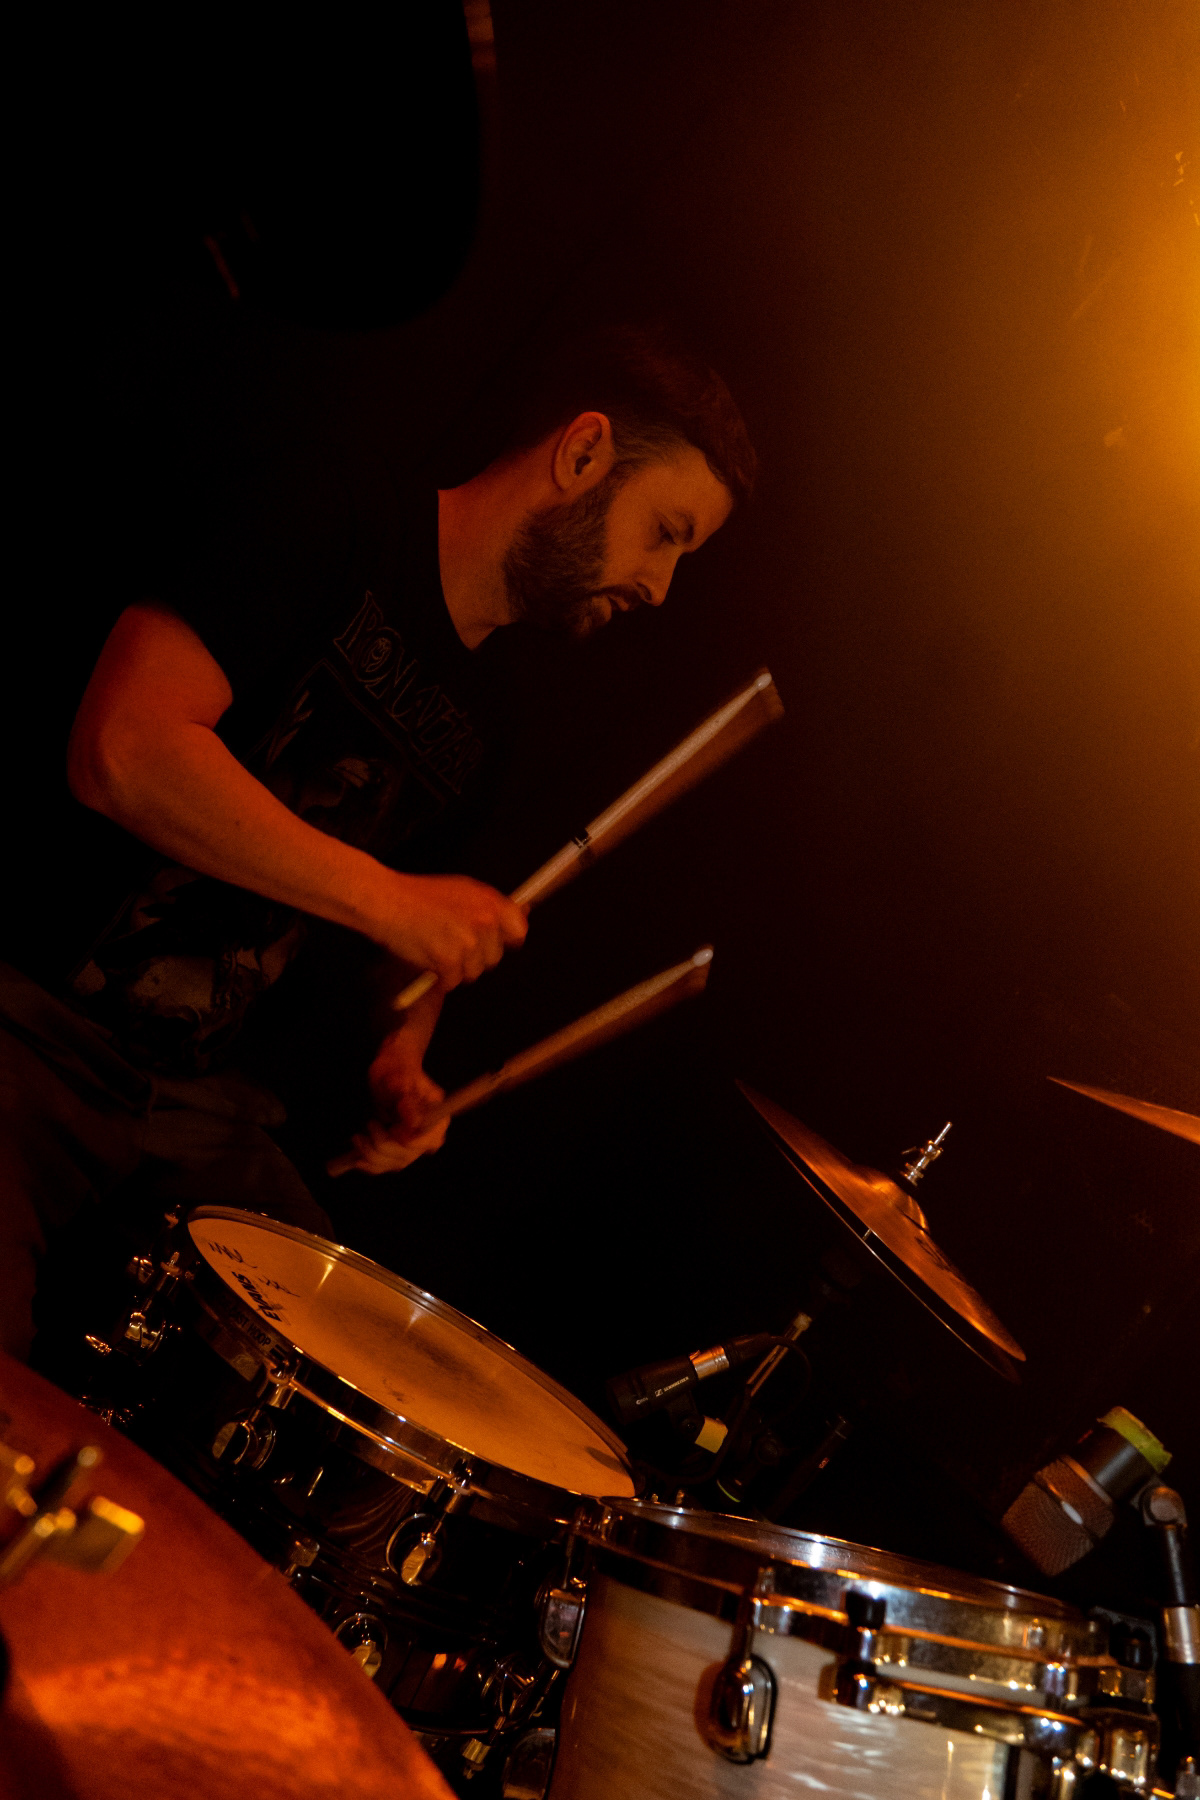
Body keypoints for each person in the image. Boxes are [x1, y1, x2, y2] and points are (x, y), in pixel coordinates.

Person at [0, 326, 756, 1358]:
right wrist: (388, 898)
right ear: (583, 454)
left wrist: (404, 1056)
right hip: (32, 1025)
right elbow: (124, 749)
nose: (661, 587)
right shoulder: (333, 511)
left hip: (192, 1105)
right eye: (665, 532)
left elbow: (410, 935)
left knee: (362, 1371)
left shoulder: (495, 707)